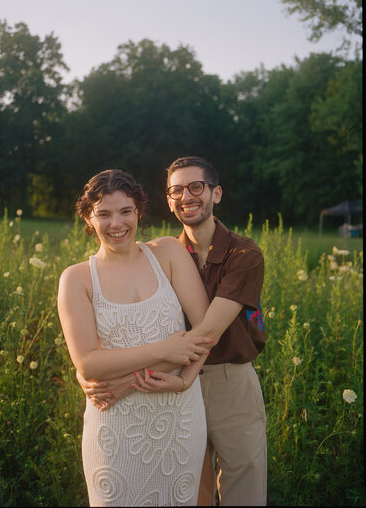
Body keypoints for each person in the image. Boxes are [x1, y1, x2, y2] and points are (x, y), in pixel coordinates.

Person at [78, 157, 267, 506]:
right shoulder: (166, 252)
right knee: (195, 489)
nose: (187, 196)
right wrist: (87, 371)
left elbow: (207, 329)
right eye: (177, 190)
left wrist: (125, 382)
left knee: (244, 480)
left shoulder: (244, 254)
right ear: (168, 200)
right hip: (170, 381)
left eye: (197, 187)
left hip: (226, 377)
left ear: (216, 193)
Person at [58, 168, 219, 507]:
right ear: (89, 218)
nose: (116, 223)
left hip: (179, 419)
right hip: (114, 422)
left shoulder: (168, 255)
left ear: (139, 212)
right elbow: (88, 364)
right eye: (104, 213)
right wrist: (168, 348)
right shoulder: (77, 279)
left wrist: (174, 378)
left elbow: (205, 332)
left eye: (125, 211)